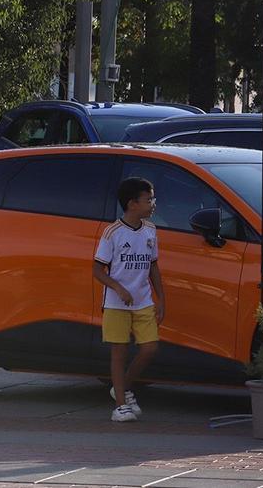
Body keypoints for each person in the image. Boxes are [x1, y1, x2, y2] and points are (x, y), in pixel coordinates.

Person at [93, 177, 166, 422]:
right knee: (119, 352)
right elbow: (97, 270)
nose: (153, 204)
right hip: (117, 303)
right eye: (149, 199)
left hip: (143, 300)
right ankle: (121, 406)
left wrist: (161, 299)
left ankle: (122, 387)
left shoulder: (150, 230)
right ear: (133, 203)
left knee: (150, 348)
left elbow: (153, 266)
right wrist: (119, 289)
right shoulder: (112, 232)